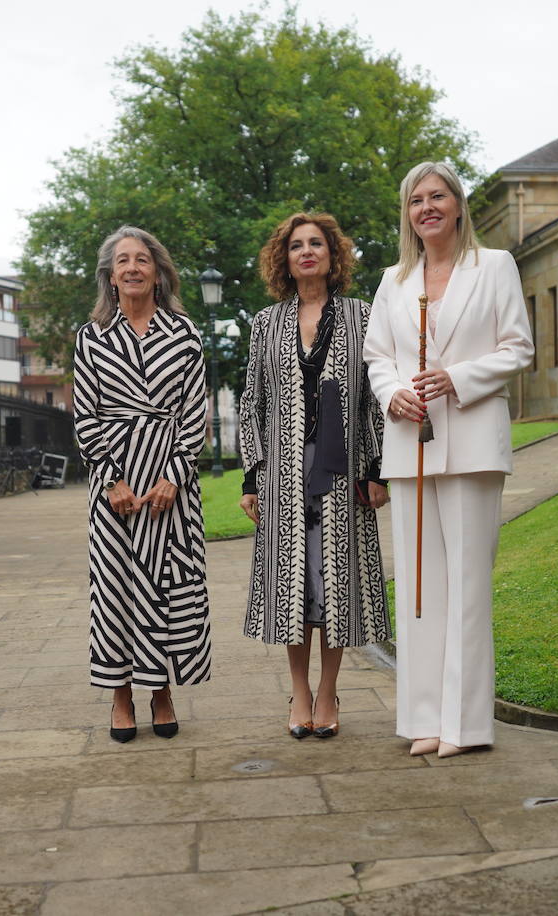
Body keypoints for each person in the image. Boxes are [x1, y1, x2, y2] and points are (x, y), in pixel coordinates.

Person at [363, 162, 534, 758]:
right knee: (416, 589)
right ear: (407, 214)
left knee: (465, 585)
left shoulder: (495, 267)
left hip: (472, 442)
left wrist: (455, 377)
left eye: (437, 196)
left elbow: (518, 347)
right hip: (409, 444)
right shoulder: (393, 279)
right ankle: (424, 721)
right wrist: (392, 394)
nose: (426, 207)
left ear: (458, 206)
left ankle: (465, 727)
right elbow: (377, 357)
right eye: (416, 200)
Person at [239, 212, 390, 739]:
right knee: (293, 584)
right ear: (284, 259)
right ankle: (299, 690)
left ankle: (328, 692)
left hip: (342, 469)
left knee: (335, 584)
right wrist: (253, 475)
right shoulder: (265, 323)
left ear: (333, 255)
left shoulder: (362, 317)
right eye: (297, 245)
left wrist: (377, 469)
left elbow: (376, 399)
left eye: (317, 244)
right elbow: (251, 403)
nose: (307, 252)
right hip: (282, 472)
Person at [73, 226, 210, 743]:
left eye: (142, 260)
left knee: (170, 590)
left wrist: (174, 474)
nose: (132, 267)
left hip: (170, 486)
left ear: (158, 272)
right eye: (122, 261)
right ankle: (121, 695)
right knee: (115, 591)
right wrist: (111, 479)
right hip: (114, 487)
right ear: (110, 276)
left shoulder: (185, 334)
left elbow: (194, 412)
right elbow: (85, 414)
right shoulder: (90, 339)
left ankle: (163, 691)